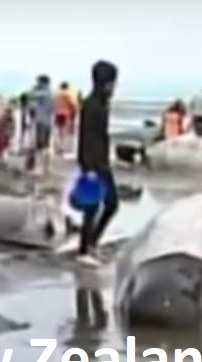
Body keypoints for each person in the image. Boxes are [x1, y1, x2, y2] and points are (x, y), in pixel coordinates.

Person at [76, 60, 119, 267]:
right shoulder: (92, 105)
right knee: (92, 207)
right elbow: (86, 138)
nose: (114, 87)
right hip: (93, 164)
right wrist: (89, 168)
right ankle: (85, 250)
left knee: (111, 204)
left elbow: (101, 137)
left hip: (102, 162)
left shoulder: (102, 104)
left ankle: (91, 244)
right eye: (112, 83)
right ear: (104, 83)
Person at [28, 75, 55, 175]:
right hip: (48, 122)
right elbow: (53, 109)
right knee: (46, 146)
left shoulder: (38, 94)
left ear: (42, 82)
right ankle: (46, 168)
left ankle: (39, 168)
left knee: (39, 146)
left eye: (38, 82)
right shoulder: (51, 93)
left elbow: (31, 107)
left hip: (39, 121)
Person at [54, 82, 80, 155]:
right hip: (65, 114)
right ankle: (62, 147)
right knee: (64, 131)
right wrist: (76, 110)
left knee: (59, 131)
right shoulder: (68, 94)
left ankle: (58, 146)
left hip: (58, 114)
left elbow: (54, 104)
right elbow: (73, 104)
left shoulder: (57, 95)